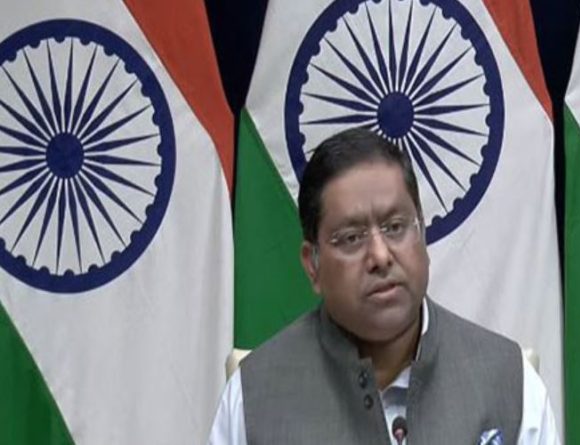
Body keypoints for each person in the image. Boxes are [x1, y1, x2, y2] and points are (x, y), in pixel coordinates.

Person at [208, 128, 560, 444]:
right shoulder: (254, 398)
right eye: (351, 237)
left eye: (395, 227)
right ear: (312, 265)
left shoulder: (509, 384)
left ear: (422, 233)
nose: (380, 255)